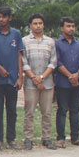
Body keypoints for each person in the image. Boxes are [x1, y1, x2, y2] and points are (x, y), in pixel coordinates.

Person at [0, 7, 24, 150]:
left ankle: (11, 138)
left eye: (4, 17)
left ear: (10, 18)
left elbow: (19, 55)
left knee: (11, 110)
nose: (1, 19)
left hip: (12, 78)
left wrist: (20, 76)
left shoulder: (16, 34)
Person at [21, 13, 57, 150]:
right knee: (29, 112)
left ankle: (46, 138)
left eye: (40, 23)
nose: (38, 26)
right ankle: (28, 139)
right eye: (35, 23)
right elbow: (24, 62)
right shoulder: (24, 41)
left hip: (47, 83)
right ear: (30, 25)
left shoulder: (50, 41)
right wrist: (35, 78)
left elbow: (53, 62)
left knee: (47, 112)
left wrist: (41, 78)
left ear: (43, 25)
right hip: (30, 83)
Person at [54, 17, 79, 148]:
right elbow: (58, 62)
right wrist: (69, 76)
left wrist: (77, 74)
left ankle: (75, 137)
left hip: (77, 83)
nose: (71, 28)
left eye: (73, 26)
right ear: (62, 28)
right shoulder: (57, 44)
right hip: (63, 82)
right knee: (62, 110)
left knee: (75, 110)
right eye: (68, 26)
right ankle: (61, 138)